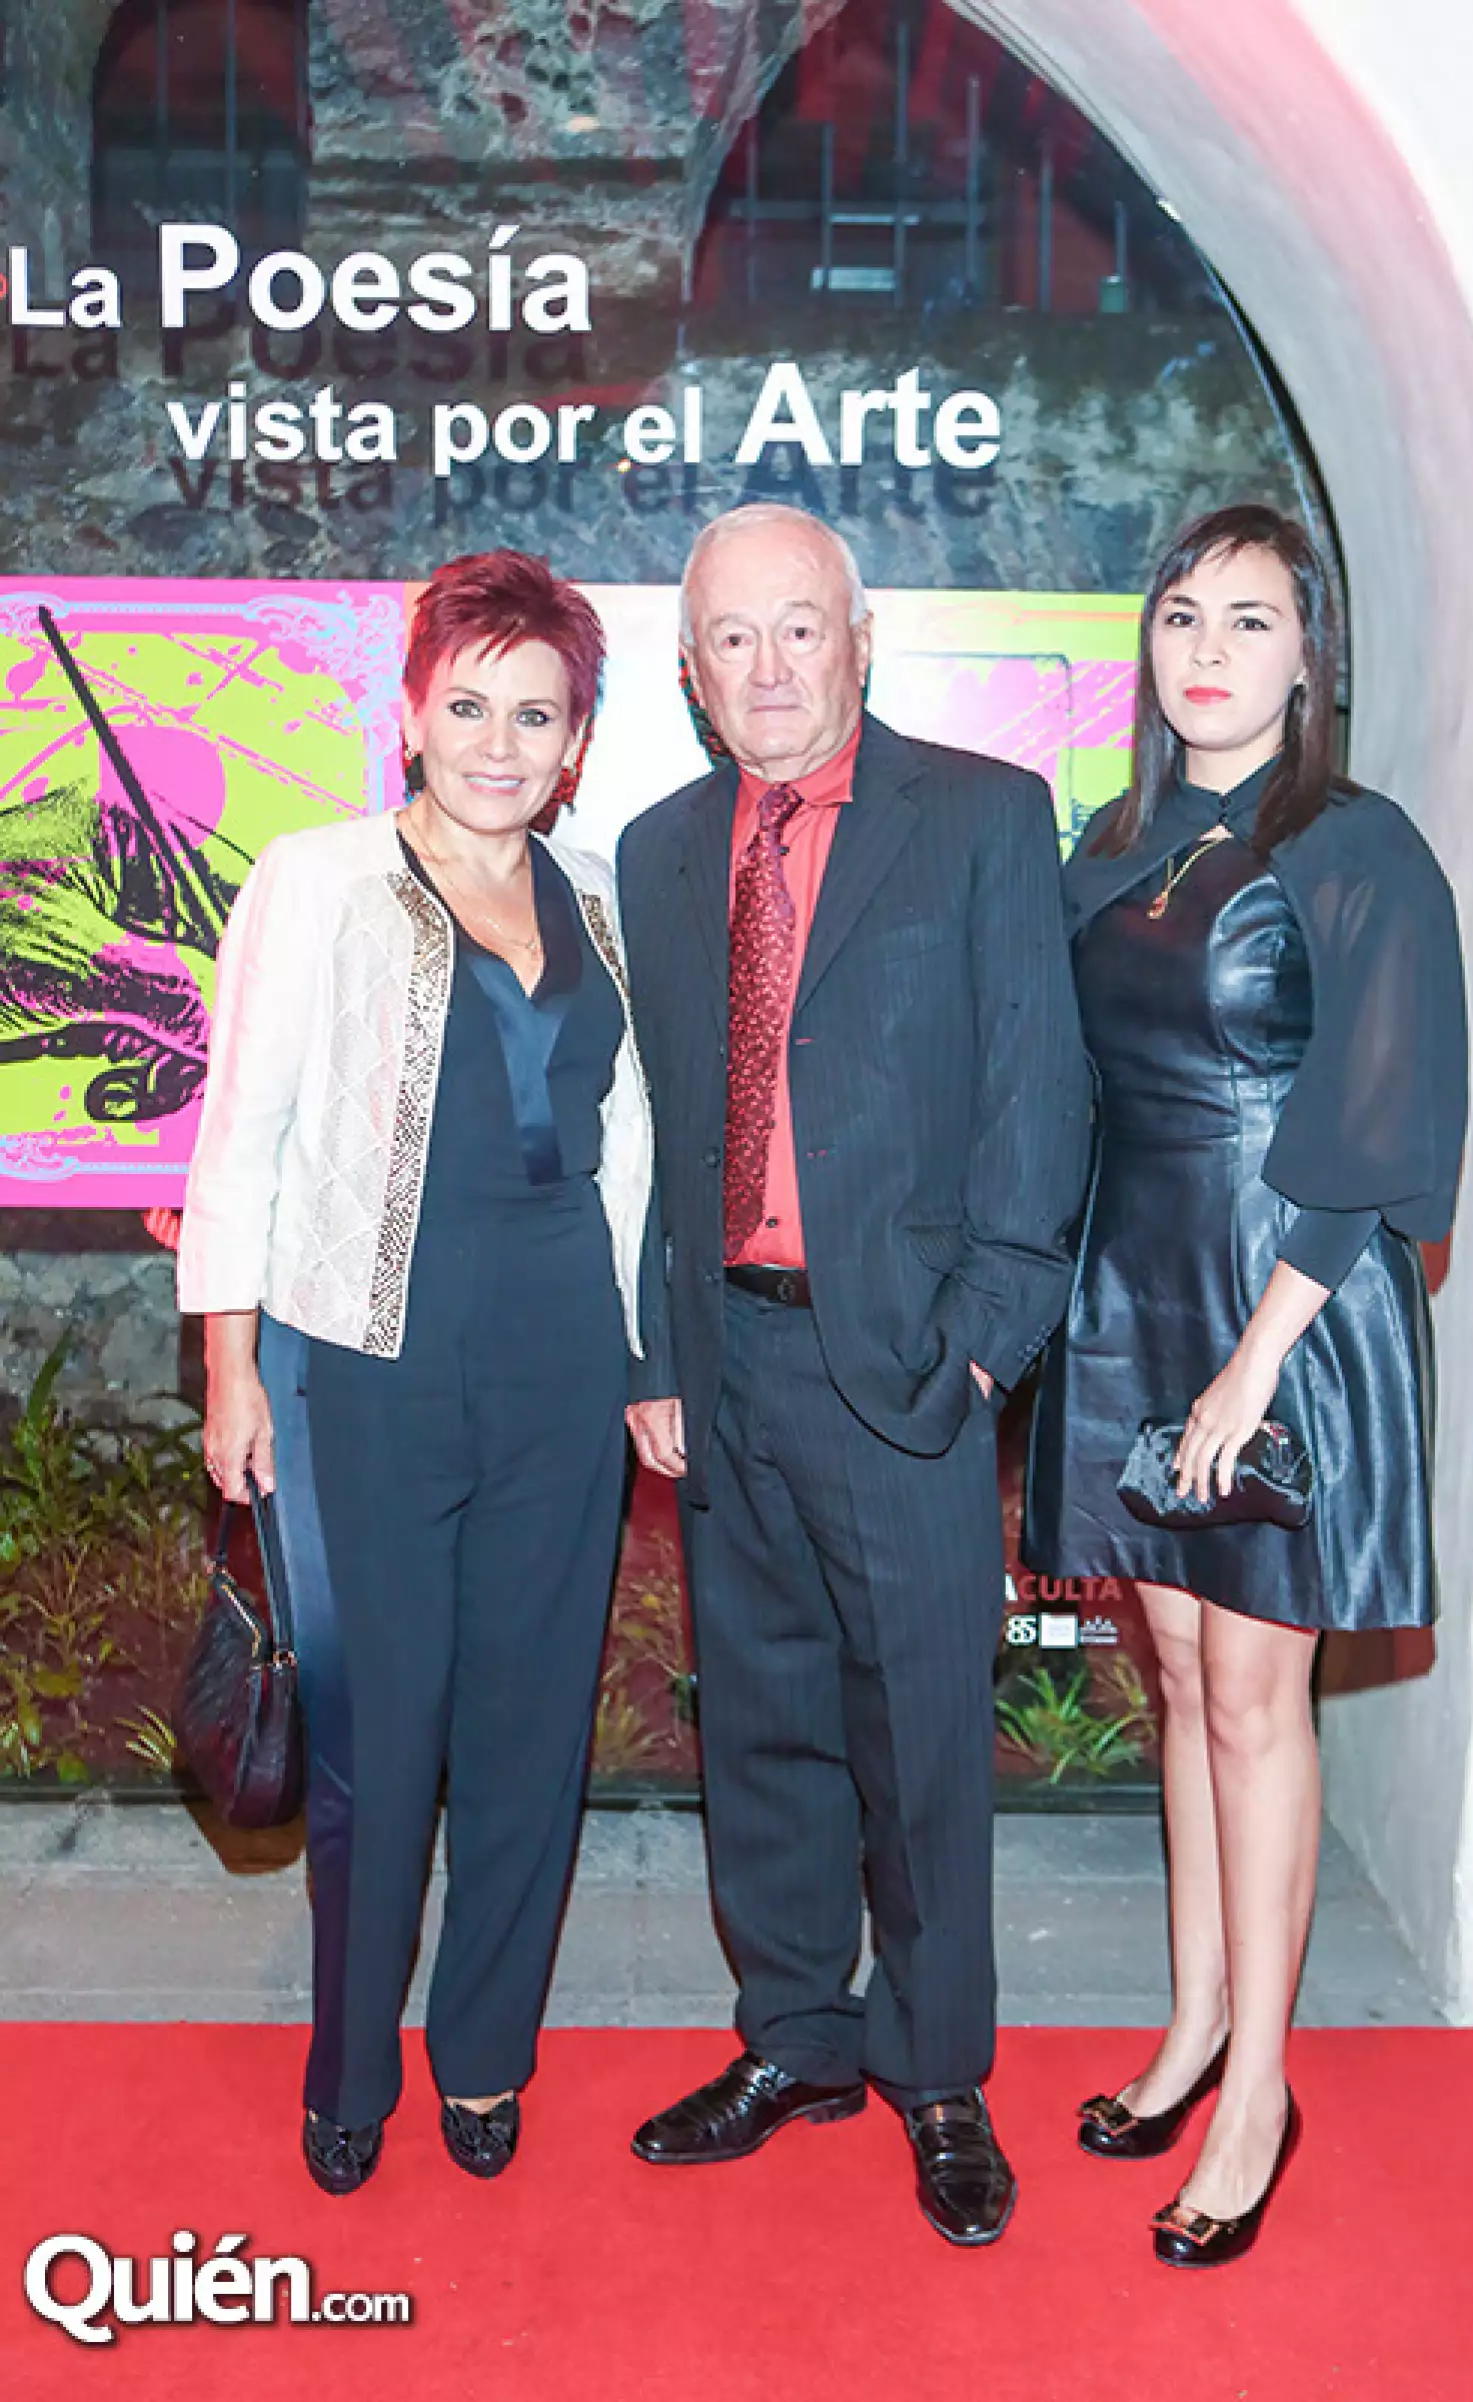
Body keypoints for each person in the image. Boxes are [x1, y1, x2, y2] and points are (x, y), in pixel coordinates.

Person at [619, 502, 1089, 2246]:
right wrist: (660, 1350)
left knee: (923, 1741)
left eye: (799, 626)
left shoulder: (981, 818)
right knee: (760, 1724)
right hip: (726, 1360)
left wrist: (978, 1352)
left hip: (903, 1366)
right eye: (732, 638)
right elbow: (661, 1131)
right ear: (690, 670)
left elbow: (1039, 1100)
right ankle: (796, 2039)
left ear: (861, 639)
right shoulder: (659, 852)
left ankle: (939, 2071)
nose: (769, 666)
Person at [1024, 504, 1468, 2268]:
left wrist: (1254, 1360)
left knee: (1259, 1697)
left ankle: (1264, 2092)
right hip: (1134, 1281)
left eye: (1251, 620)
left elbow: (1377, 1116)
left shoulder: (1358, 846)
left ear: (1309, 657)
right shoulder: (1110, 839)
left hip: (1290, 1296)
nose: (1207, 650)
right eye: (1182, 615)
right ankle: (1199, 2020)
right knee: (1187, 1677)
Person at [176, 550, 652, 2195]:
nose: (500, 743)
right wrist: (232, 1365)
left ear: (577, 738)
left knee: (532, 1719)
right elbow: (241, 1134)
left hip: (563, 1355)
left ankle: (487, 2051)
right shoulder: (316, 879)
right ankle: (351, 2067)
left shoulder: (600, 892)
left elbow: (631, 1137)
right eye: (470, 705)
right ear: (409, 715)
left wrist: (643, 1356)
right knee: (379, 1732)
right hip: (364, 1354)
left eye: (537, 713)